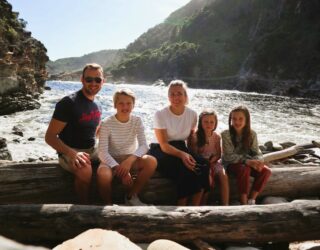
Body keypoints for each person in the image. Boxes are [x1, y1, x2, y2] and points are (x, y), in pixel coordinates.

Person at [45, 63, 104, 204]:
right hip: (70, 151)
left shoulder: (98, 104)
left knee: (116, 160)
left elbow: (94, 131)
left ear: (103, 81)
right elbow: (50, 137)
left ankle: (109, 200)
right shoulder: (68, 103)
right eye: (89, 79)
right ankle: (84, 207)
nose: (93, 83)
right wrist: (73, 154)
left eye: (98, 80)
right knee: (85, 169)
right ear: (82, 80)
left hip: (91, 149)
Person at [148, 80, 209, 206]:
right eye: (172, 94)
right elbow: (164, 144)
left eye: (179, 94)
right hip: (161, 149)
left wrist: (194, 154)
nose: (176, 97)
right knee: (185, 168)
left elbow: (190, 138)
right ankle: (182, 207)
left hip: (180, 147)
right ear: (168, 96)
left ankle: (196, 207)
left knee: (203, 164)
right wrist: (183, 155)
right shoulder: (160, 114)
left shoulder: (192, 114)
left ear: (186, 96)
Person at [98, 88, 157, 205]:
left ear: (133, 105)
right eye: (121, 103)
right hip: (110, 160)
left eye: (129, 103)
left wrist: (129, 161)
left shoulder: (137, 121)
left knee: (151, 161)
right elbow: (102, 153)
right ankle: (108, 205)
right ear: (115, 105)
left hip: (130, 158)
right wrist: (120, 169)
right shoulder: (106, 123)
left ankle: (131, 197)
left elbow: (144, 146)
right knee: (103, 174)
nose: (125, 107)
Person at [221, 105, 272, 205]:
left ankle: (251, 199)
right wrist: (247, 161)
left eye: (240, 119)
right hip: (231, 164)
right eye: (234, 119)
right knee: (245, 168)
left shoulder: (252, 134)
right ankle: (243, 201)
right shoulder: (225, 134)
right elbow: (228, 156)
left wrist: (258, 161)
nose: (237, 122)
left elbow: (256, 151)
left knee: (266, 171)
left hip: (248, 163)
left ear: (247, 120)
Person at [189, 109, 229, 205]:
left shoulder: (216, 136)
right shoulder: (195, 136)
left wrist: (212, 160)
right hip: (201, 164)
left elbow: (219, 154)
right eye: (206, 122)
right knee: (207, 179)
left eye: (212, 122)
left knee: (223, 176)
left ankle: (226, 205)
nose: (209, 124)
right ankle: (202, 204)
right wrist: (206, 162)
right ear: (200, 122)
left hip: (214, 162)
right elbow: (194, 154)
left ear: (215, 123)